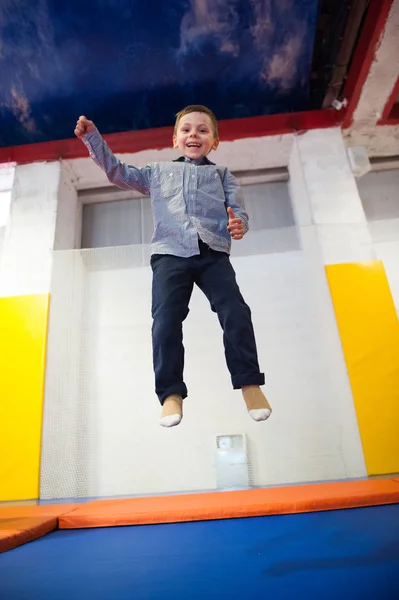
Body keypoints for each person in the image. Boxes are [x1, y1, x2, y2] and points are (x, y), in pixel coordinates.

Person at [75, 105, 272, 427]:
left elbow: (239, 212)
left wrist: (240, 225)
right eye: (187, 130)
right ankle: (170, 393)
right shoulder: (157, 172)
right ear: (176, 139)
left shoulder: (223, 175)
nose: (194, 134)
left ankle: (250, 383)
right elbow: (117, 172)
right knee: (165, 320)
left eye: (203, 130)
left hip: (212, 253)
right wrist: (93, 139)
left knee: (235, 311)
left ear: (215, 141)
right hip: (169, 254)